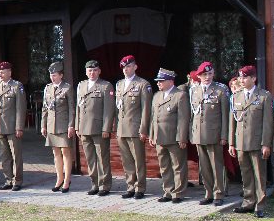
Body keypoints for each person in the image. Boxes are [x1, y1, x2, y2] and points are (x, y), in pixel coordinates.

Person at [229, 65, 273, 217]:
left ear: (253, 78)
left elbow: (268, 123)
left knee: (259, 175)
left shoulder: (264, 96)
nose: (241, 80)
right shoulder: (236, 96)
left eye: (245, 77)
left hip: (256, 142)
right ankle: (248, 202)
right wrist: (231, 143)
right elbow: (232, 122)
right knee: (246, 174)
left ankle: (260, 205)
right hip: (241, 142)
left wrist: (266, 144)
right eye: (240, 77)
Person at [189, 61, 230, 206]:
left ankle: (218, 194)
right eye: (204, 74)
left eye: (210, 74)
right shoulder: (194, 90)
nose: (207, 77)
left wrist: (224, 135)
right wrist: (191, 134)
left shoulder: (220, 90)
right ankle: (208, 193)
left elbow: (225, 115)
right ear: (199, 76)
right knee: (204, 167)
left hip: (214, 135)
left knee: (216, 165)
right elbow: (192, 115)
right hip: (199, 134)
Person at [149, 68, 190, 203]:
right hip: (160, 137)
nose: (158, 83)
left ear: (171, 81)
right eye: (158, 81)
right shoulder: (157, 96)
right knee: (164, 166)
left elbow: (183, 119)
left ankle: (178, 193)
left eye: (161, 81)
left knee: (178, 166)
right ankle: (168, 191)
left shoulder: (180, 95)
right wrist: (152, 134)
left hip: (174, 138)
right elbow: (154, 118)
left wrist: (182, 137)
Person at [76, 59, 116, 196]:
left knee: (102, 158)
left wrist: (106, 128)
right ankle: (95, 184)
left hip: (99, 128)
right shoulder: (81, 85)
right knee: (90, 159)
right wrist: (77, 126)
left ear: (99, 71)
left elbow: (109, 110)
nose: (92, 73)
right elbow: (78, 107)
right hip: (84, 128)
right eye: (89, 70)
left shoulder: (105, 86)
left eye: (94, 70)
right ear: (86, 72)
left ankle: (105, 185)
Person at [115, 55, 152, 199]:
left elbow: (146, 109)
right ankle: (130, 186)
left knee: (138, 160)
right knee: (127, 160)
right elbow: (117, 108)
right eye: (124, 67)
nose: (126, 69)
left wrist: (143, 129)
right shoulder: (119, 84)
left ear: (135, 67)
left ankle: (140, 188)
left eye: (129, 66)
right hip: (122, 128)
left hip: (135, 128)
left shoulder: (143, 84)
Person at [41, 61, 75, 192]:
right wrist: (43, 125)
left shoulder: (67, 88)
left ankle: (67, 180)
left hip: (63, 125)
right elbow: (45, 108)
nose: (52, 77)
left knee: (65, 152)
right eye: (51, 75)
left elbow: (72, 108)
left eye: (55, 75)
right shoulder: (48, 88)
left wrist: (71, 125)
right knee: (56, 153)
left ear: (61, 75)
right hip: (51, 125)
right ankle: (59, 178)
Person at [0, 61, 26, 191]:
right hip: (0, 126)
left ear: (9, 72)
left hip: (12, 126)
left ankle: (17, 181)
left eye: (2, 72)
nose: (0, 74)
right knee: (4, 155)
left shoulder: (17, 86)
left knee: (16, 155)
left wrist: (19, 127)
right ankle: (8, 180)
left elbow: (20, 108)